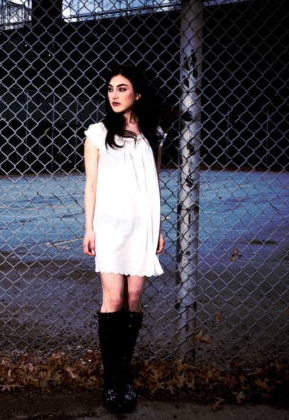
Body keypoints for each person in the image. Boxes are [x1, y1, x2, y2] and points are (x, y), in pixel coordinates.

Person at [83, 64, 170, 412]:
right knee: (114, 298)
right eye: (110, 89)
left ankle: (123, 377)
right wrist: (89, 228)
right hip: (108, 225)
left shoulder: (153, 133)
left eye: (122, 88)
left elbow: (153, 184)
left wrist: (157, 226)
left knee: (134, 297)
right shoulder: (98, 133)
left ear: (138, 93)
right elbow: (91, 185)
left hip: (142, 226)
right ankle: (111, 381)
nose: (114, 95)